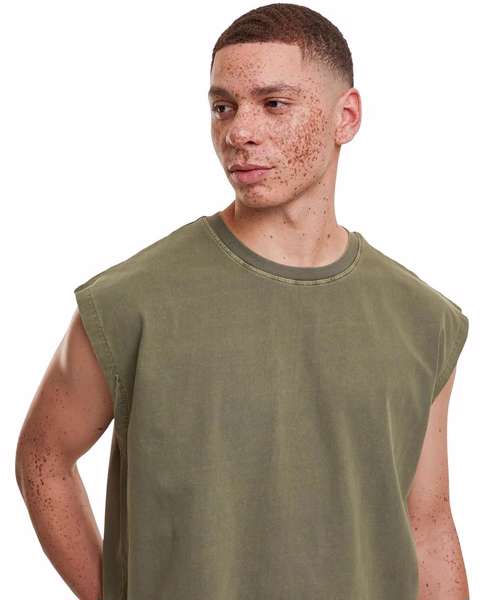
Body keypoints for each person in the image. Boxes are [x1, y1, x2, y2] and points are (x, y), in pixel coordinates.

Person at [15, 4, 470, 600]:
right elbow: (42, 458)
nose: (238, 132)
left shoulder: (424, 321)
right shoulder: (131, 302)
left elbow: (428, 522)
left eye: (273, 104)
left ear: (346, 117)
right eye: (223, 107)